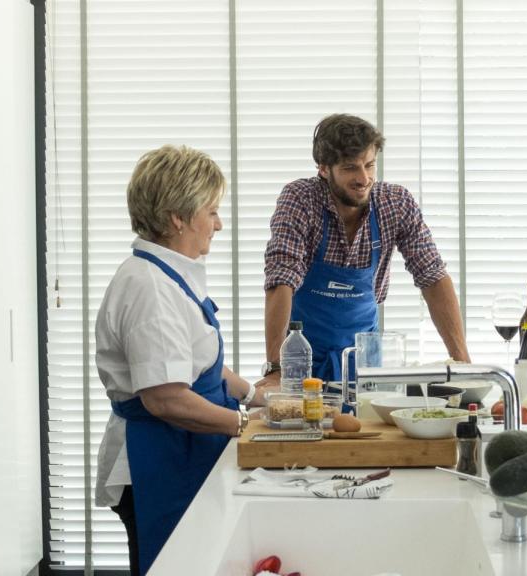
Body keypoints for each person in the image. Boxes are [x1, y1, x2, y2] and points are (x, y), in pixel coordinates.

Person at [94, 145, 270, 575]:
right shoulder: (149, 289)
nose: (218, 224)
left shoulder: (169, 276)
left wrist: (259, 398)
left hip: (187, 450)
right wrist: (247, 425)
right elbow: (166, 399)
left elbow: (199, 364)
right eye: (211, 211)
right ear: (178, 217)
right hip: (160, 458)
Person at [260, 114, 470, 389]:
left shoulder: (395, 204)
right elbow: (281, 280)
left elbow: (432, 276)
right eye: (350, 168)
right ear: (324, 169)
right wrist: (276, 368)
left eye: (369, 165)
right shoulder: (301, 199)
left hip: (365, 362)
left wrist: (463, 364)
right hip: (303, 360)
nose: (364, 178)